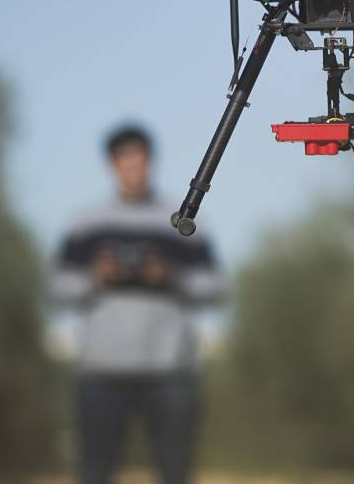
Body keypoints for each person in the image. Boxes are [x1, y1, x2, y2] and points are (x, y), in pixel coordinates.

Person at [53, 124, 224, 484]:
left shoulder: (183, 221)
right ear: (113, 165)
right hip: (102, 370)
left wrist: (171, 276)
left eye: (140, 159)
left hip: (170, 368)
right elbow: (59, 288)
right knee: (94, 472)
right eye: (125, 160)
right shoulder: (87, 223)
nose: (134, 168)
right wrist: (96, 277)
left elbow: (215, 286)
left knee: (175, 472)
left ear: (151, 162)